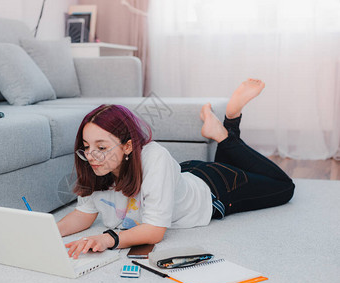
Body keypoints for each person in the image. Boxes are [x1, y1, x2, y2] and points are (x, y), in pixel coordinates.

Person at [57, 79, 295, 259]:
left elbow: (154, 231)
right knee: (234, 165)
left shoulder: (155, 158)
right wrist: (50, 232)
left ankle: (226, 129)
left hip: (216, 189)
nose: (91, 156)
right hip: (184, 174)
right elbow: (83, 215)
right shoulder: (94, 164)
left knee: (284, 187)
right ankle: (220, 130)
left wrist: (109, 239)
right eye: (86, 147)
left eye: (101, 147)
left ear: (128, 146)